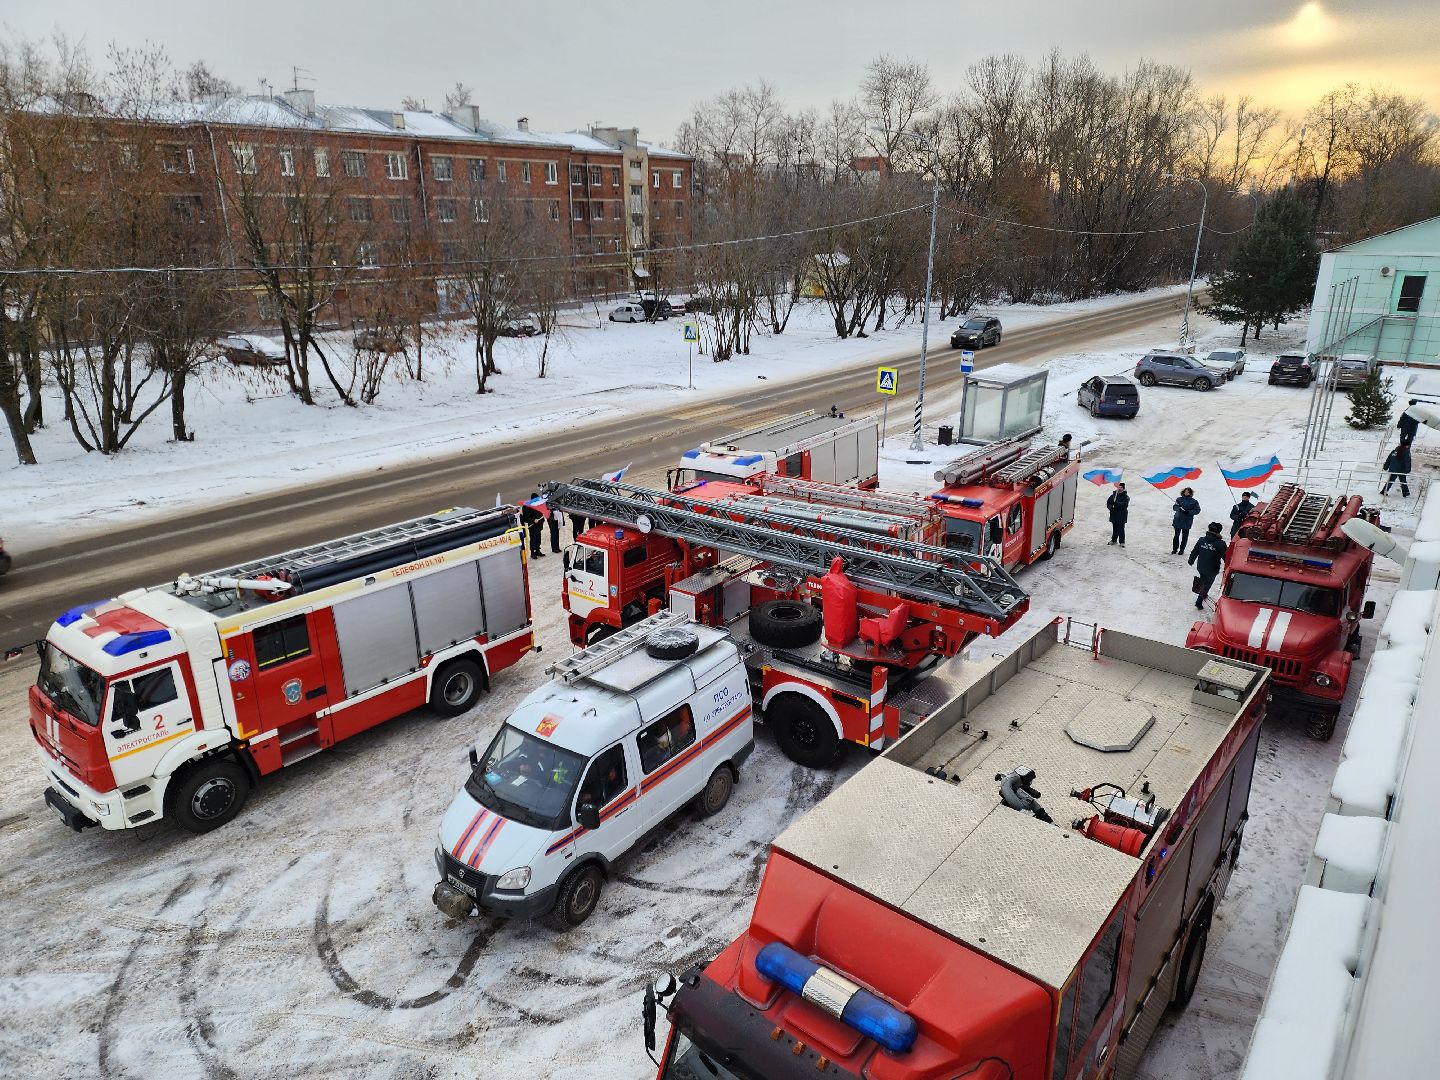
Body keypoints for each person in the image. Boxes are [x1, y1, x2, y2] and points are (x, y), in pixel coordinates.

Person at [1188, 522, 1228, 610]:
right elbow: (1225, 556)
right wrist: (1228, 565)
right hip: (1212, 569)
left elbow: (1195, 551)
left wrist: (1191, 560)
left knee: (1203, 580)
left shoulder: (1201, 540)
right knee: (1207, 584)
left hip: (1201, 566)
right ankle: (1199, 601)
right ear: (1219, 532)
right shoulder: (1221, 544)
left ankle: (1202, 592)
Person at [1171, 487, 1201, 555]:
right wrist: (1179, 508)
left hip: (1187, 521)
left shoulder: (1194, 501)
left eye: (1188, 492)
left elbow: (1197, 510)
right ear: (1183, 492)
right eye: (1186, 491)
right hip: (1178, 520)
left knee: (1184, 537)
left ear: (1190, 493)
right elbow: (1174, 507)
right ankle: (1174, 549)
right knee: (1176, 536)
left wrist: (1189, 512)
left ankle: (1182, 550)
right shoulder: (1179, 499)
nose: (1187, 493)